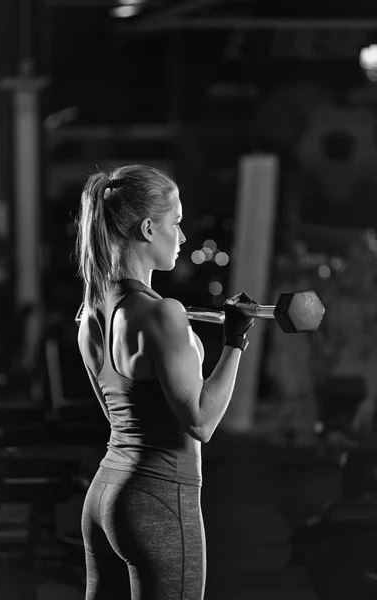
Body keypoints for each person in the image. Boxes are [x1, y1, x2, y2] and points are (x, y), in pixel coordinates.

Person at [75, 164, 257, 600]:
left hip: (106, 496)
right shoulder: (163, 313)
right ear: (148, 227)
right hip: (158, 497)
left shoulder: (90, 315)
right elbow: (201, 422)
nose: (183, 236)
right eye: (176, 223)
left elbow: (124, 418)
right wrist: (235, 341)